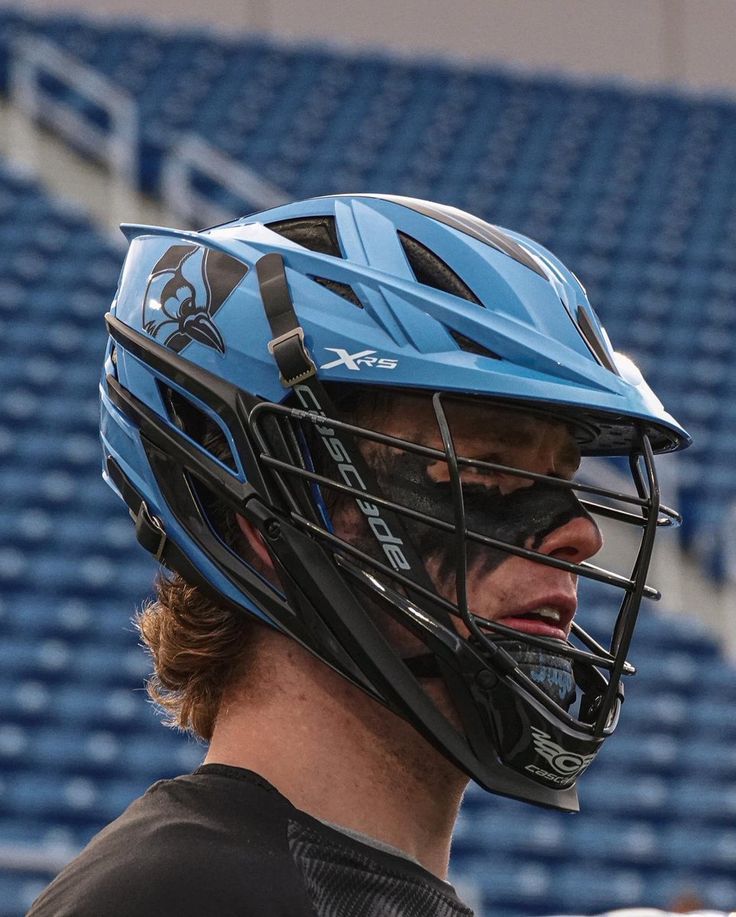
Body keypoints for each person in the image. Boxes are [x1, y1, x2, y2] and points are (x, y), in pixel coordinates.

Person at [28, 194, 689, 916]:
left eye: (562, 480)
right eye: (490, 466)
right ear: (264, 503)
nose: (581, 532)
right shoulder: (167, 899)